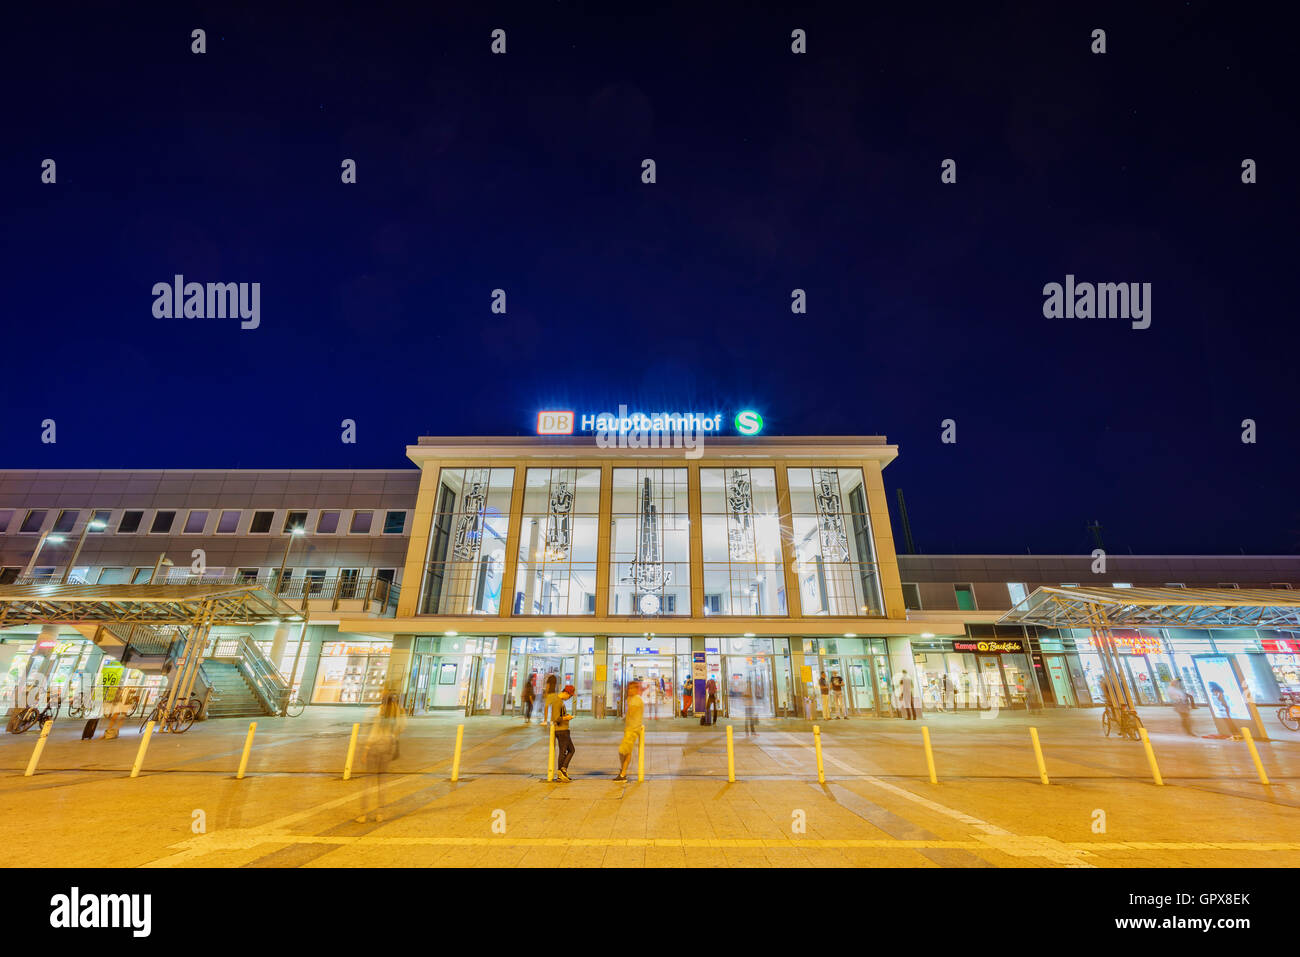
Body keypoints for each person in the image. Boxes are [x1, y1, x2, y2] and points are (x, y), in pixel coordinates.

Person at [357, 691, 405, 822]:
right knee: (382, 782)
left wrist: (365, 749)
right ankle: (380, 814)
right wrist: (393, 736)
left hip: (374, 747)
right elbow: (401, 727)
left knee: (368, 781)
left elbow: (372, 732)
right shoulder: (397, 712)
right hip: (388, 748)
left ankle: (363, 814)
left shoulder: (377, 712)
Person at [615, 680, 643, 781]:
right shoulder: (632, 699)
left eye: (632, 688)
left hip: (632, 729)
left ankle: (623, 773)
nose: (629, 690)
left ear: (636, 689)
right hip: (630, 728)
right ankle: (623, 771)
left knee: (623, 751)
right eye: (629, 688)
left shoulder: (636, 699)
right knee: (626, 751)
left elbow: (632, 711)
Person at [553, 684, 576, 782]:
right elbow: (555, 718)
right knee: (563, 751)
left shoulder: (560, 701)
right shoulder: (557, 702)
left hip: (564, 729)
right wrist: (566, 718)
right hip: (561, 730)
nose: (569, 698)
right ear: (566, 693)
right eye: (570, 696)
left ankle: (563, 770)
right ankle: (561, 772)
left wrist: (566, 716)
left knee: (571, 750)